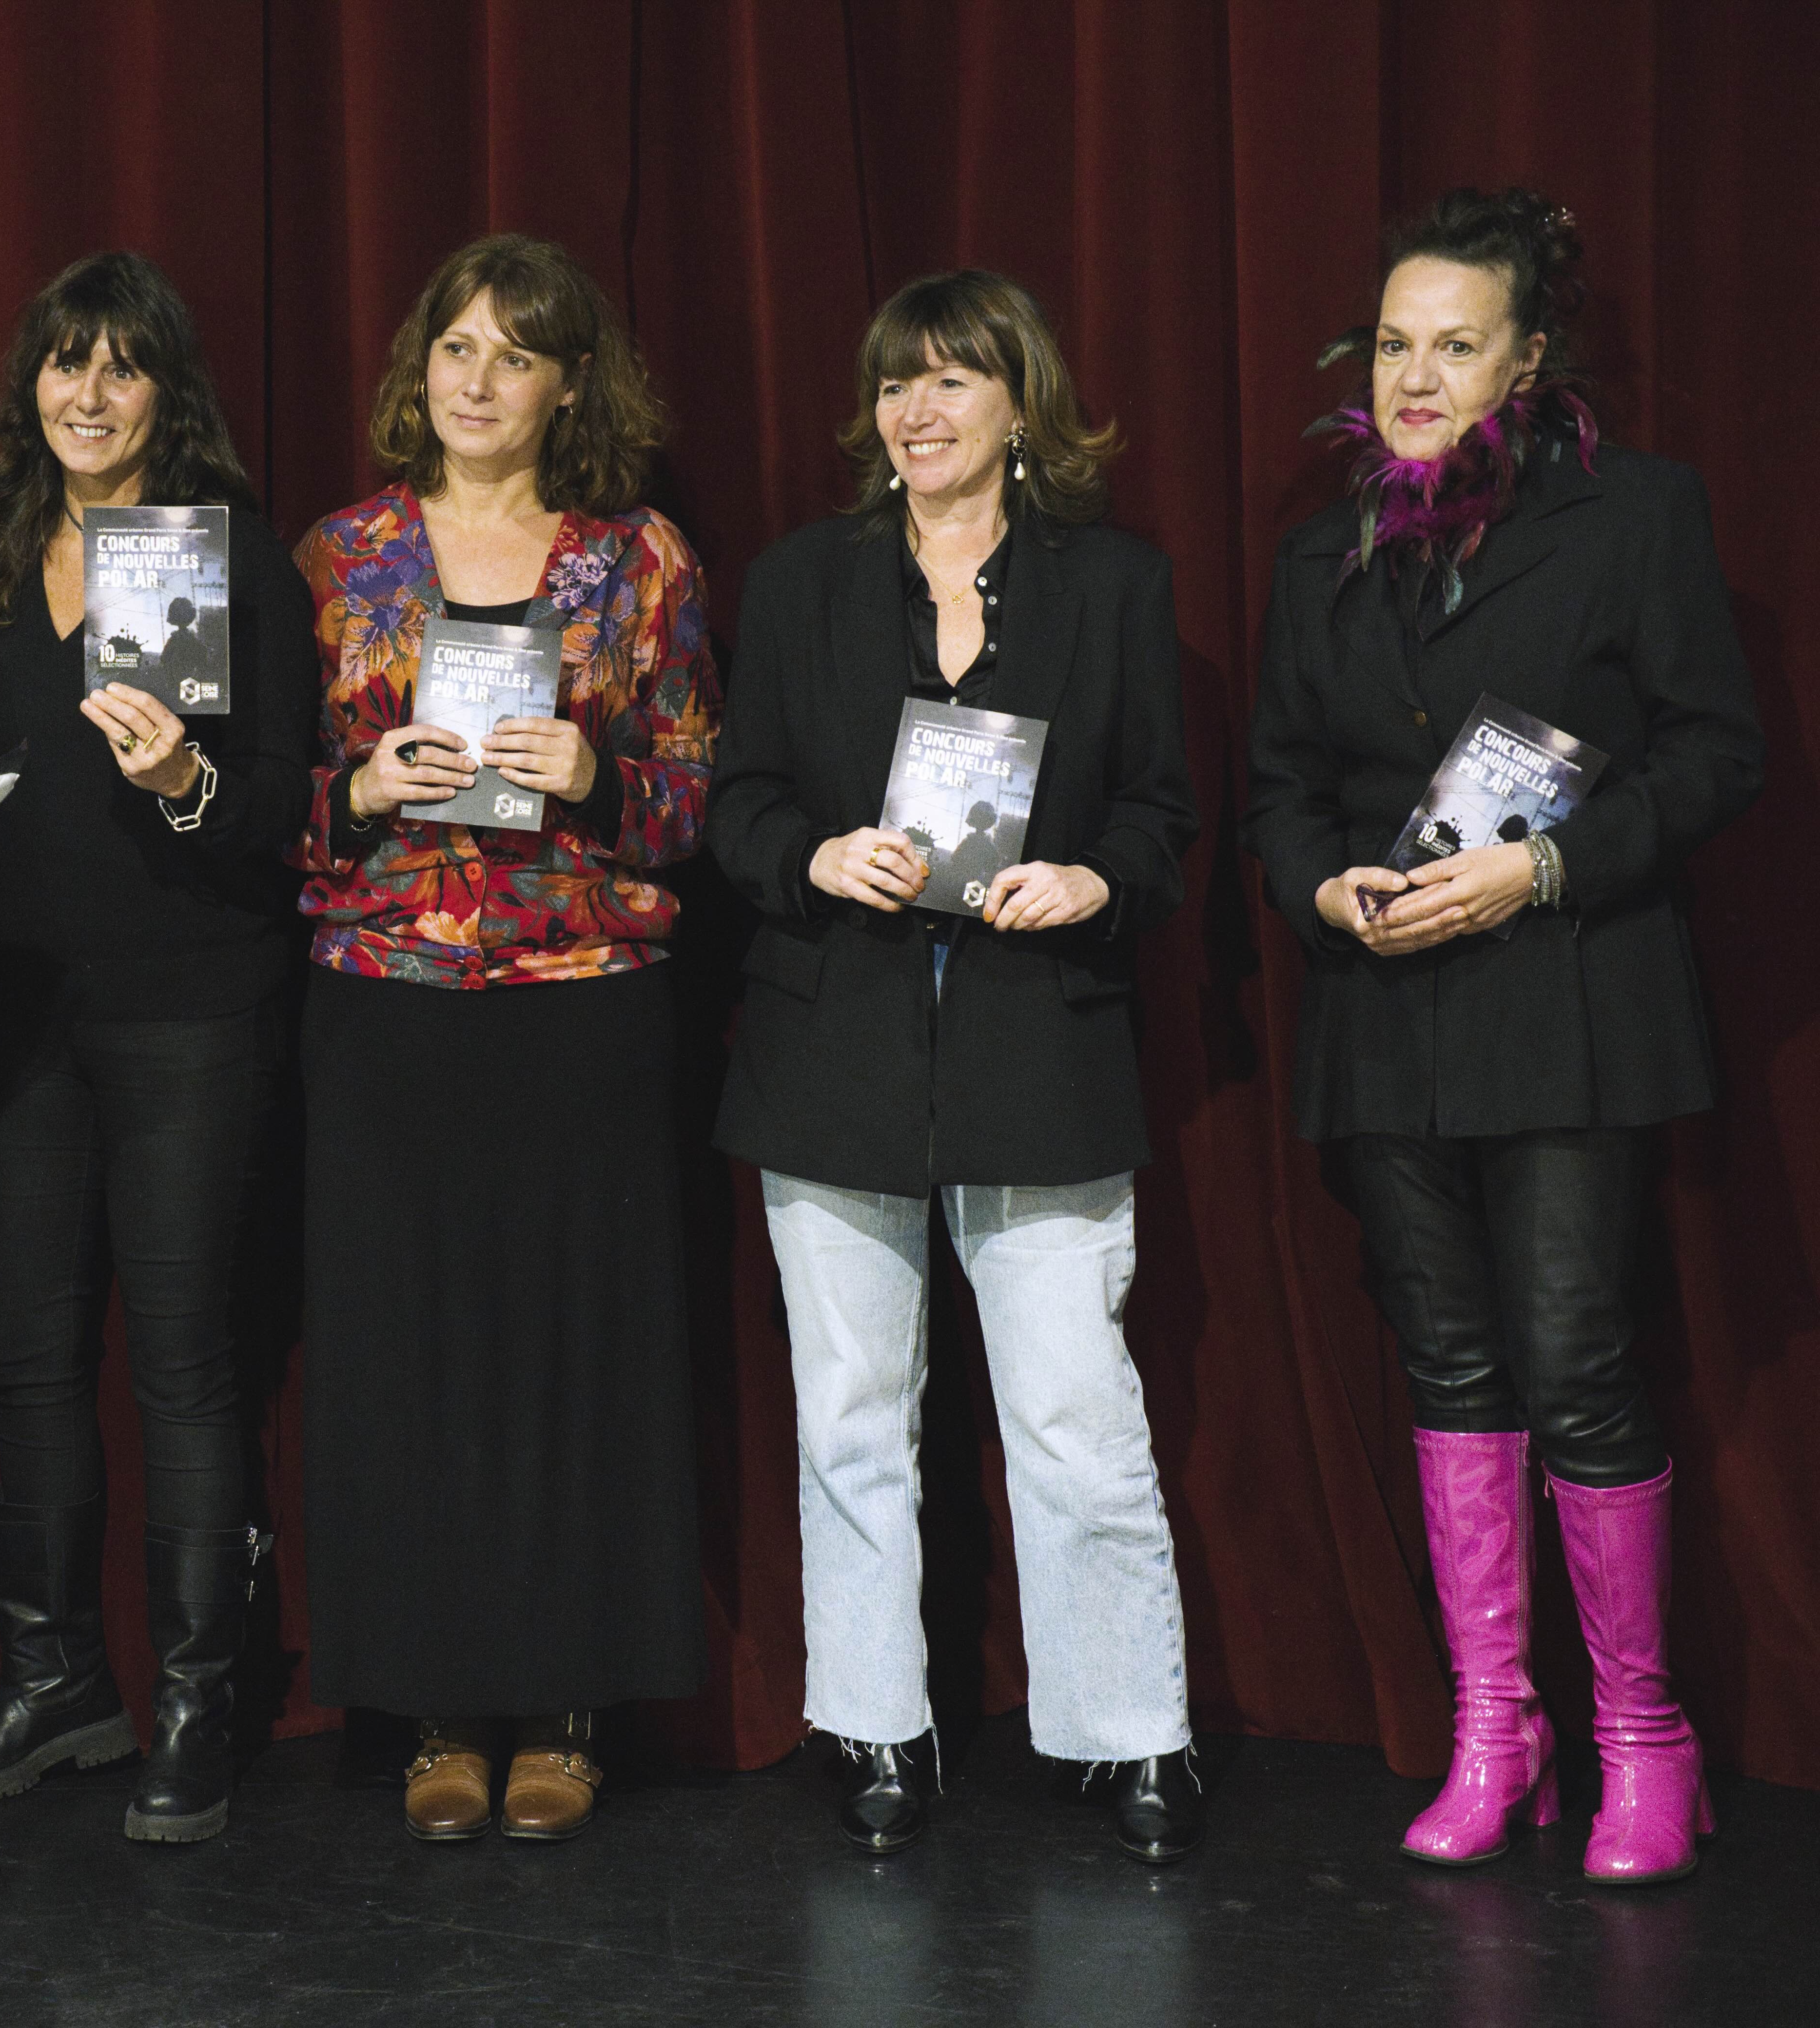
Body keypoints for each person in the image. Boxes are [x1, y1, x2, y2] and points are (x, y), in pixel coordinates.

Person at [1247, 190, 1762, 1885]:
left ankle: (1643, 1739)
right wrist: (1322, 889)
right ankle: (1497, 1725)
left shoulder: (1635, 516)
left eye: (1454, 345)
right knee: (1450, 1366)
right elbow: (1280, 791)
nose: (1414, 377)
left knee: (1576, 1358)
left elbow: (1717, 753)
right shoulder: (1320, 551)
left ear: (1526, 363)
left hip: (1571, 1002)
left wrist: (1541, 869)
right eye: (1393, 344)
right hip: (1387, 1013)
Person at [707, 269, 1204, 1865]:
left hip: (1038, 1042)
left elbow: (1166, 819)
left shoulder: (1112, 585)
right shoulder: (803, 583)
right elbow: (738, 801)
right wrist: (813, 857)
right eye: (894, 383)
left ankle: (1128, 1736)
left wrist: (1094, 880)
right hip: (835, 1043)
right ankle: (873, 1720)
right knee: (851, 1415)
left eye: (950, 380)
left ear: (1019, 400)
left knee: (1072, 1412)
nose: (915, 412)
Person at [294, 234, 716, 1844]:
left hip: (580, 1002)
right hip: (386, 998)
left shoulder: (639, 562)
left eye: (515, 356)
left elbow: (700, 799)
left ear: (569, 388)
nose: (478, 381)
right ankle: (435, 1713)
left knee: (572, 1358)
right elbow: (263, 804)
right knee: (408, 1358)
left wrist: (600, 781)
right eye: (457, 348)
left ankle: (564, 1709)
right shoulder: (341, 558)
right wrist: (358, 789)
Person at [0, 251, 318, 1842]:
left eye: (122, 366)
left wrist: (185, 782)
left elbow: (283, 801)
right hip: (18, 1016)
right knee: (27, 1360)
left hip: (190, 1009)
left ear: (170, 394)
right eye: (63, 362)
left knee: (181, 1360)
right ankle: (55, 1681)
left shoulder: (231, 560)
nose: (87, 394)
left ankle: (195, 1701)